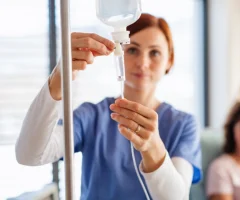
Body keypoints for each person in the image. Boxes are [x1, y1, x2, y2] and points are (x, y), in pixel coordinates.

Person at [15, 13, 201, 200]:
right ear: (119, 53)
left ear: (169, 60)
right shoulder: (92, 117)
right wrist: (58, 79)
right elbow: (29, 154)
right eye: (133, 50)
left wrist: (153, 147)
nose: (143, 63)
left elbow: (177, 197)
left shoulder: (182, 125)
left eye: (154, 52)